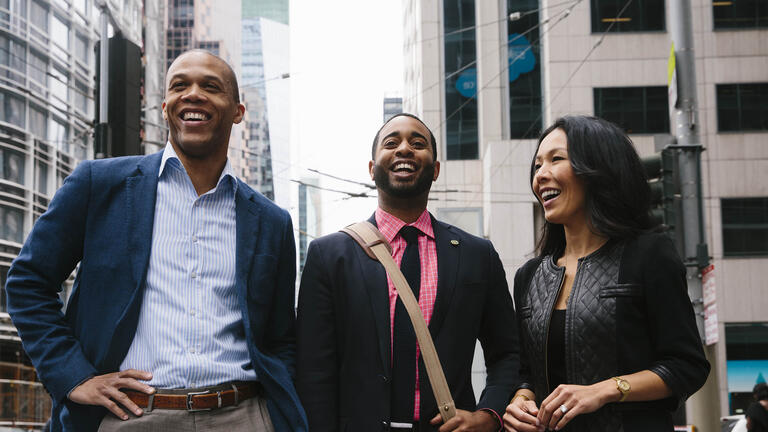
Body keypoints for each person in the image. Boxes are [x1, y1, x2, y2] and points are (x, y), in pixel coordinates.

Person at [5, 50, 306, 432]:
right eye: (180, 85)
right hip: (129, 417)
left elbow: (281, 338)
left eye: (210, 87)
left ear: (237, 111)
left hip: (243, 415)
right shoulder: (98, 185)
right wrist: (74, 376)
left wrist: (274, 417)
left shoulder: (272, 221)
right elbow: (27, 283)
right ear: (165, 108)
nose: (193, 94)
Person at [296, 113, 520, 431]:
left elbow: (507, 353)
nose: (405, 149)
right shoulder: (330, 256)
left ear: (436, 169)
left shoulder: (477, 254)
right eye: (392, 142)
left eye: (418, 143)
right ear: (372, 169)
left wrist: (489, 416)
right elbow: (313, 371)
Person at [503, 116, 710, 432]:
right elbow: (525, 372)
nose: (541, 175)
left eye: (555, 160)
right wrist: (520, 398)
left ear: (597, 169)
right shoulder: (529, 276)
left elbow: (687, 365)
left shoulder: (649, 255)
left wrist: (604, 390)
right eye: (536, 166)